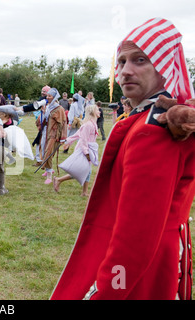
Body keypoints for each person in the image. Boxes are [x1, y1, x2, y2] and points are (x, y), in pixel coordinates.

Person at [51, 18, 195, 300]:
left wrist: (105, 293)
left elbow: (136, 239)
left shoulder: (153, 131)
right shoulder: (152, 119)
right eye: (121, 62)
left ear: (164, 67)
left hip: (145, 271)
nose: (125, 71)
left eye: (140, 60)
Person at [53, 104, 100, 196]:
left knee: (86, 171)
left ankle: (84, 192)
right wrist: (86, 153)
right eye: (97, 110)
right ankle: (59, 180)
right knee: (83, 170)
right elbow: (83, 139)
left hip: (88, 150)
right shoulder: (88, 125)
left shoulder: (93, 123)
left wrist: (68, 141)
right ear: (92, 112)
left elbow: (77, 134)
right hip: (83, 150)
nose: (99, 111)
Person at [39, 88, 67, 184]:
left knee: (49, 153)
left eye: (49, 96)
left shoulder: (59, 109)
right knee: (44, 150)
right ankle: (48, 170)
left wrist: (63, 138)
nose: (47, 97)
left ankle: (50, 176)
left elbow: (63, 124)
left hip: (54, 135)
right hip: (47, 132)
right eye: (47, 95)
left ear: (54, 97)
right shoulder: (48, 107)